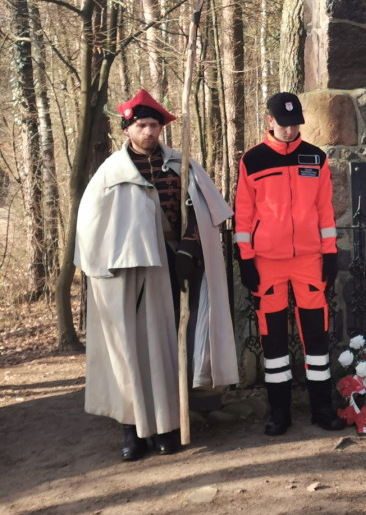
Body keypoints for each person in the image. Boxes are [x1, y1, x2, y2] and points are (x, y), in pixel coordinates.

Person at [76, 89, 239, 461]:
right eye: (142, 125)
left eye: (154, 126)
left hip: (174, 268)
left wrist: (188, 248)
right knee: (132, 352)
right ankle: (132, 431)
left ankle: (167, 426)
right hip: (129, 278)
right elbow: (92, 232)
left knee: (168, 348)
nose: (149, 132)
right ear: (127, 130)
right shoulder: (110, 176)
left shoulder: (182, 166)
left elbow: (204, 214)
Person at [234, 92, 343, 435]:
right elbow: (243, 214)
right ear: (269, 121)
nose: (289, 129)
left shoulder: (316, 157)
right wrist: (245, 260)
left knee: (316, 336)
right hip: (268, 263)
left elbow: (325, 210)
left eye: (295, 124)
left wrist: (330, 252)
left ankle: (322, 409)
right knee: (274, 340)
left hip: (310, 260)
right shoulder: (252, 160)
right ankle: (278, 413)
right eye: (283, 124)